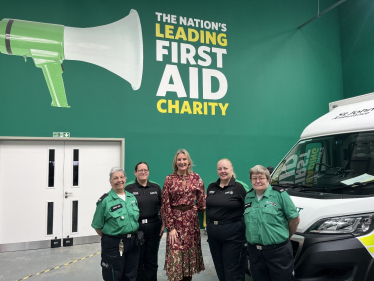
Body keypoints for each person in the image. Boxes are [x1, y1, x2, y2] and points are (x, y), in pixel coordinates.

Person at [244, 165, 300, 281]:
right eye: (254, 178)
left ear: (268, 179)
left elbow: (294, 219)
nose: (257, 181)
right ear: (250, 180)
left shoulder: (280, 195)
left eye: (261, 178)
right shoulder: (248, 197)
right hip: (255, 252)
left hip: (277, 252)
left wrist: (285, 236)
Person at [161, 149, 206, 281]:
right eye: (179, 159)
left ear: (188, 161)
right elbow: (165, 204)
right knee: (175, 259)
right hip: (175, 222)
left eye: (184, 159)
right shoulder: (169, 179)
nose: (182, 162)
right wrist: (170, 227)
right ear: (176, 162)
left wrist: (197, 207)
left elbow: (202, 199)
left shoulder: (196, 178)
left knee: (189, 258)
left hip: (191, 223)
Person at [92, 167, 140, 281]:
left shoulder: (131, 197)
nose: (119, 180)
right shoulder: (105, 201)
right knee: (113, 275)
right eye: (115, 178)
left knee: (131, 275)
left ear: (125, 179)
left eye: (122, 177)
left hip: (133, 243)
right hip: (113, 245)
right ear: (110, 182)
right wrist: (112, 239)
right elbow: (97, 226)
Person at [206, 158, 247, 281]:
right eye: (219, 169)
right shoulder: (211, 187)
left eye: (225, 168)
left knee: (233, 270)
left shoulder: (239, 187)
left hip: (233, 234)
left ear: (232, 169)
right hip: (214, 234)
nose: (222, 171)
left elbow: (250, 208)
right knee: (220, 268)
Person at [125, 162, 165, 281]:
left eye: (145, 170)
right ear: (135, 172)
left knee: (152, 259)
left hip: (154, 227)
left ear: (148, 171)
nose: (143, 172)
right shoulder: (129, 188)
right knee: (138, 259)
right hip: (137, 228)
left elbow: (161, 207)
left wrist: (163, 224)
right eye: (140, 170)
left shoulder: (156, 187)